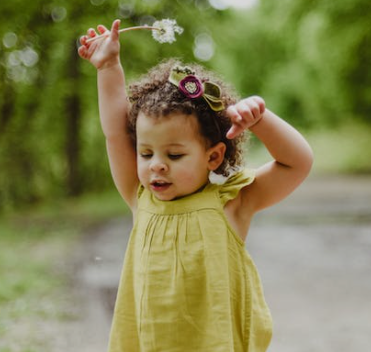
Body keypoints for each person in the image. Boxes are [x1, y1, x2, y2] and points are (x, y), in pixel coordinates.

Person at [78, 19, 313, 352]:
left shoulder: (232, 203)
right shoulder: (140, 196)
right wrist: (108, 67)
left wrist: (260, 121)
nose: (156, 164)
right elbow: (116, 132)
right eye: (145, 153)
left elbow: (297, 163)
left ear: (213, 157)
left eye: (174, 155)